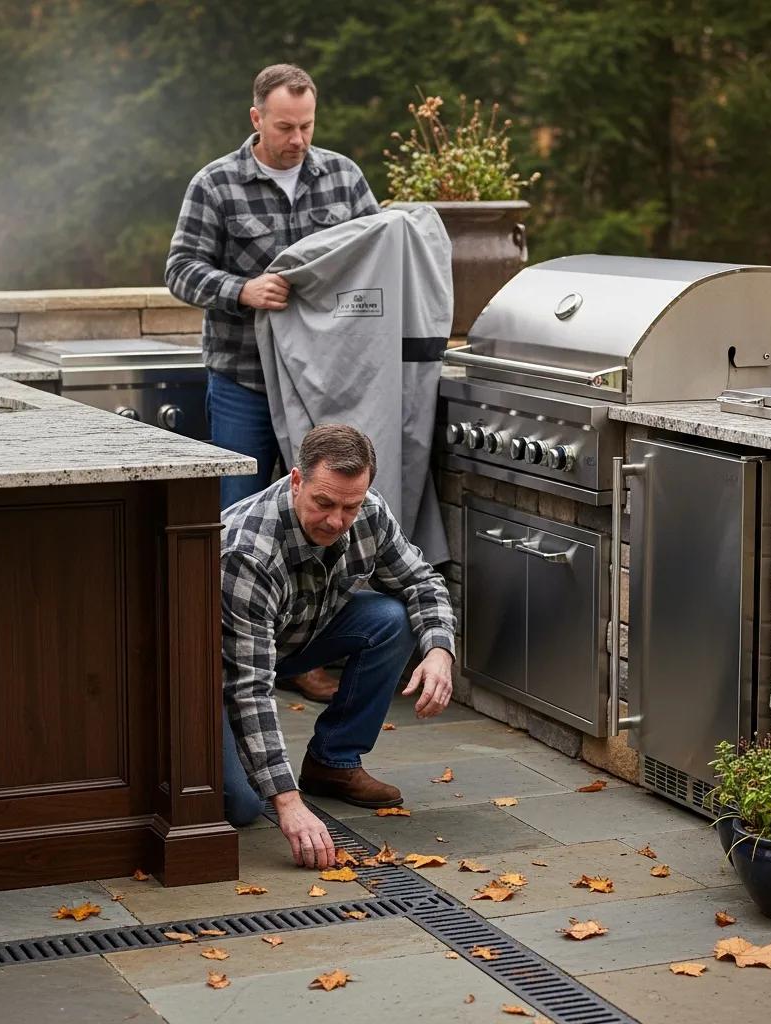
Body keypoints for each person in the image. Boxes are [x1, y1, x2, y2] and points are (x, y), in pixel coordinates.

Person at [166, 62, 380, 703]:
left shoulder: (343, 176)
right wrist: (240, 290)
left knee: (317, 517)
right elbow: (180, 270)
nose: (298, 139)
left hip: (321, 388)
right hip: (243, 381)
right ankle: (225, 663)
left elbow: (378, 254)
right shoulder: (216, 184)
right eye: (285, 126)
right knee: (236, 521)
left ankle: (300, 659)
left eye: (307, 125)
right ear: (256, 118)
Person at [220, 424, 457, 867]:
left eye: (349, 506)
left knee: (392, 618)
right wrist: (288, 805)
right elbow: (249, 689)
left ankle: (334, 762)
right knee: (244, 807)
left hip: (294, 639)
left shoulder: (368, 510)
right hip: (219, 671)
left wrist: (440, 651)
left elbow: (422, 581)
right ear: (297, 481)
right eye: (323, 503)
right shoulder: (248, 553)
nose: (336, 520)